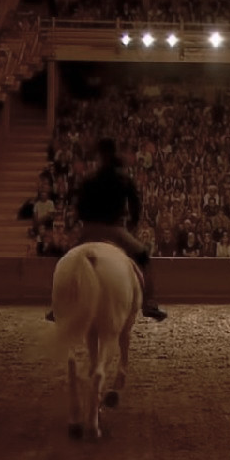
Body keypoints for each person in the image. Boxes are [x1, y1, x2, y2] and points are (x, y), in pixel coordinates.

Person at [46, 138, 167, 322]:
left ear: (99, 156)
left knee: (67, 260)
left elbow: (80, 208)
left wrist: (86, 224)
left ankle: (59, 306)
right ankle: (149, 303)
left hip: (89, 231)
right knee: (143, 256)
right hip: (114, 230)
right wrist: (132, 225)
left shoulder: (90, 179)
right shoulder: (123, 179)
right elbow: (136, 207)